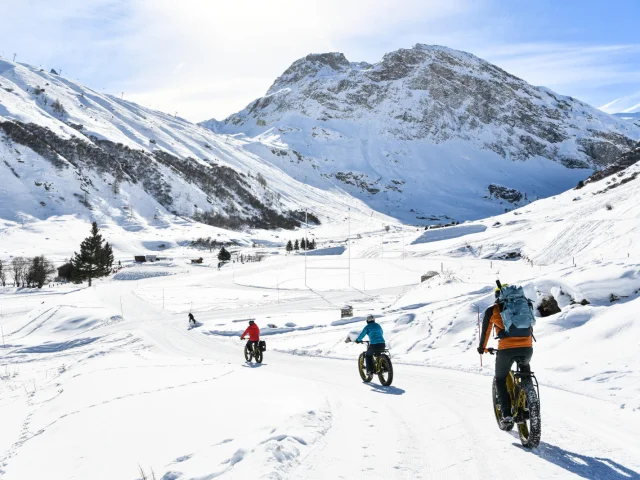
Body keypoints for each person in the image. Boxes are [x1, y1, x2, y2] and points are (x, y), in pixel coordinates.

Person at [478, 285, 533, 426]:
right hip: (527, 348)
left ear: (498, 296)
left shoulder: (493, 310)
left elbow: (485, 332)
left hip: (506, 350)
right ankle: (530, 402)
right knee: (525, 373)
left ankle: (507, 415)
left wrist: (482, 348)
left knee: (500, 378)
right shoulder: (524, 305)